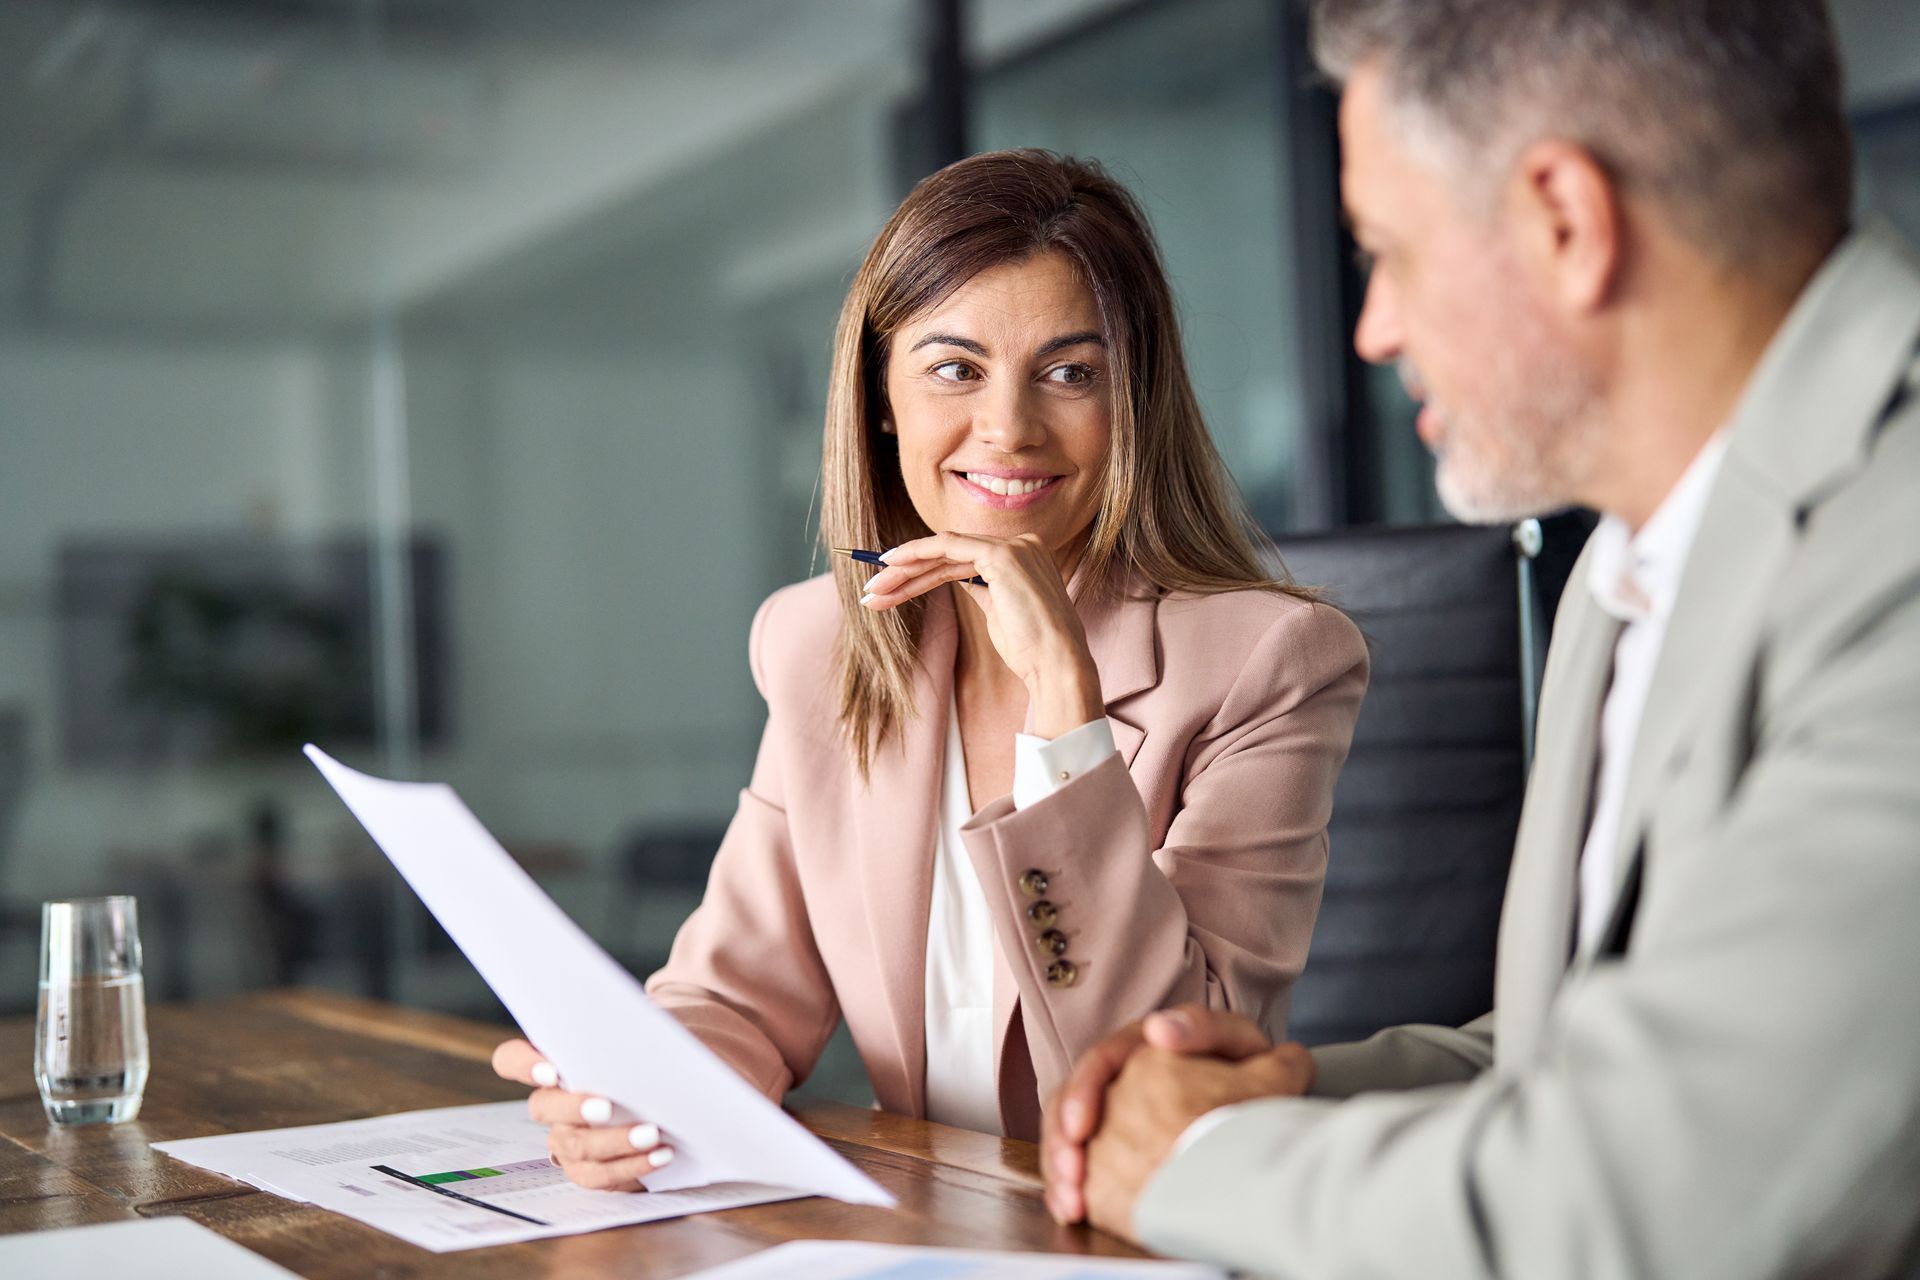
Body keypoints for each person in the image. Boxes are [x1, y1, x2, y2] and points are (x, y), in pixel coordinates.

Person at [1040, 1, 1920, 1275]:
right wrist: (1287, 1094)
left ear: (1567, 221)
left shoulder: (1892, 559)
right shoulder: (1630, 564)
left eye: (1388, 254)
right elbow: (1571, 1055)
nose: (1373, 330)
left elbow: (1662, 1196)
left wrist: (1198, 1163)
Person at [493, 149, 1369, 1187]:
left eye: (1070, 372)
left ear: (1132, 400)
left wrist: (1067, 715)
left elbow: (1174, 1069)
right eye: (955, 368)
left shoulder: (1268, 661)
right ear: (880, 400)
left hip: (1148, 1228)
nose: (1008, 428)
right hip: (923, 1223)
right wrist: (643, 1088)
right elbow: (736, 995)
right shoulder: (822, 643)